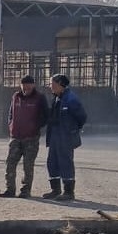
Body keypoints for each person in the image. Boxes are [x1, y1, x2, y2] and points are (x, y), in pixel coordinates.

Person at [0, 75, 49, 198]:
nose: (25, 87)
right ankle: (10, 189)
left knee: (28, 165)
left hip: (31, 138)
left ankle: (25, 190)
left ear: (33, 85)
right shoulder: (16, 96)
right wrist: (11, 125)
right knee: (10, 163)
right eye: (23, 85)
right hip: (16, 136)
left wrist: (36, 126)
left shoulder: (39, 98)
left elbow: (45, 115)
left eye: (28, 85)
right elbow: (10, 113)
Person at [42, 73, 87, 201]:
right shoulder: (57, 97)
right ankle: (55, 190)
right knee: (52, 161)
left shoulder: (71, 99)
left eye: (53, 84)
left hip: (66, 136)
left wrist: (72, 130)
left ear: (61, 84)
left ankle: (69, 192)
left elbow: (82, 117)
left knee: (65, 162)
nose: (51, 86)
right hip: (55, 135)